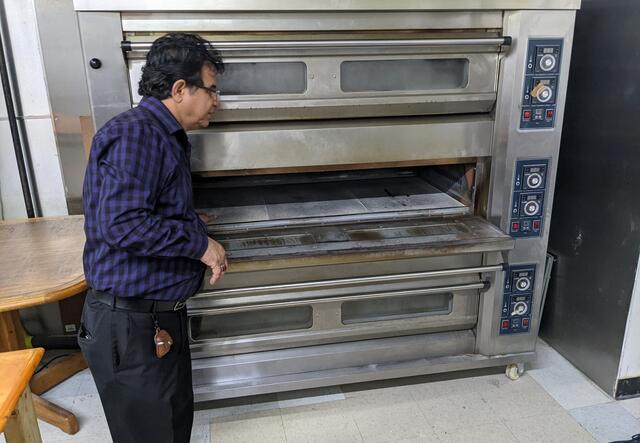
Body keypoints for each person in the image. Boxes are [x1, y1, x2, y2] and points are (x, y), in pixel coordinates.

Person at [79, 33, 227, 443]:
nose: (217, 101)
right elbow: (122, 223)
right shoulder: (138, 134)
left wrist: (182, 216)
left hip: (152, 321)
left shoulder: (162, 135)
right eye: (212, 90)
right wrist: (200, 244)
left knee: (170, 429)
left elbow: (138, 205)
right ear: (181, 89)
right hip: (131, 327)